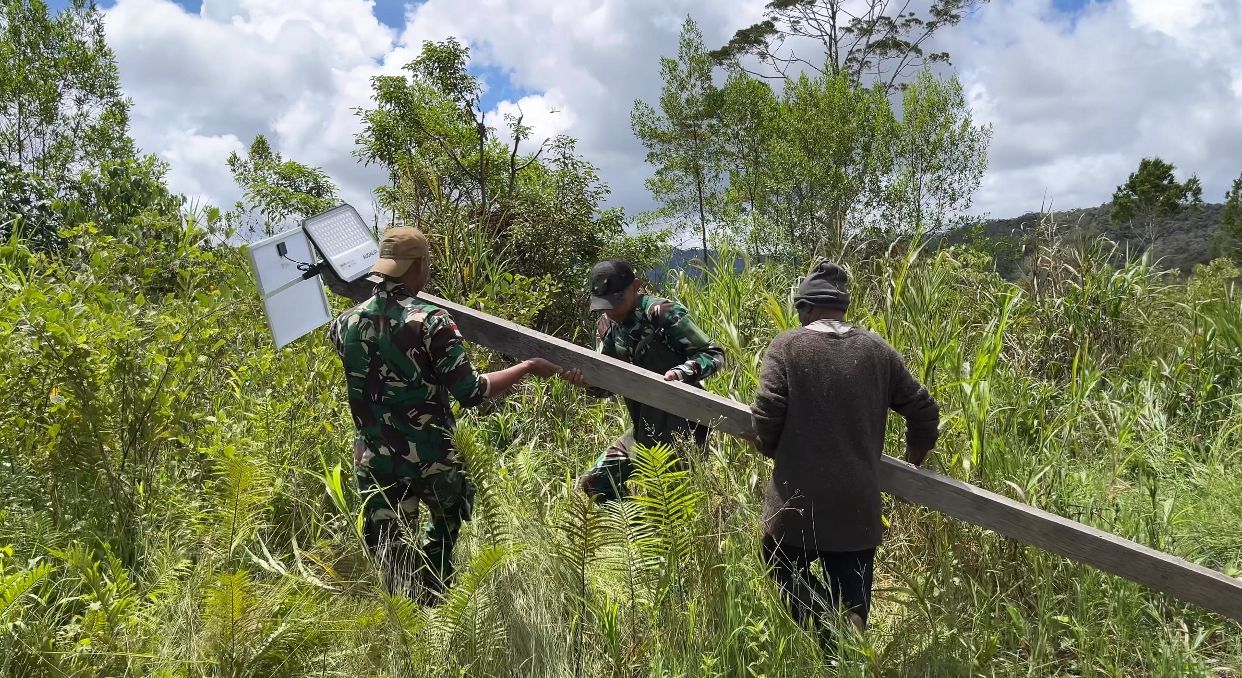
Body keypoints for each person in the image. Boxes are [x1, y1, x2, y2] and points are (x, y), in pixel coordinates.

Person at [329, 226, 563, 602]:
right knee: (445, 522)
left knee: (391, 551)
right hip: (431, 458)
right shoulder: (431, 321)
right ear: (419, 266)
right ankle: (436, 601)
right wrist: (527, 366)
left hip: (375, 459)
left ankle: (408, 615)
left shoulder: (344, 323)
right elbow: (470, 392)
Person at [749, 261, 940, 655]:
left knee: (781, 565)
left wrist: (773, 450)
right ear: (842, 307)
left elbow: (767, 411)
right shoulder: (877, 350)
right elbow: (923, 409)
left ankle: (827, 634)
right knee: (854, 603)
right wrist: (914, 456)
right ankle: (847, 644)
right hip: (857, 506)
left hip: (797, 503)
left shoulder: (787, 345)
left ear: (804, 308)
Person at [562, 259, 726, 502]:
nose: (612, 310)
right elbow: (607, 385)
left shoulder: (661, 313)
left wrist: (681, 373)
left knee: (668, 502)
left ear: (636, 286)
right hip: (642, 425)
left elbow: (713, 354)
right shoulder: (607, 326)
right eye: (605, 304)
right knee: (596, 483)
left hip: (682, 425)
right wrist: (587, 382)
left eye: (617, 300)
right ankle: (632, 523)